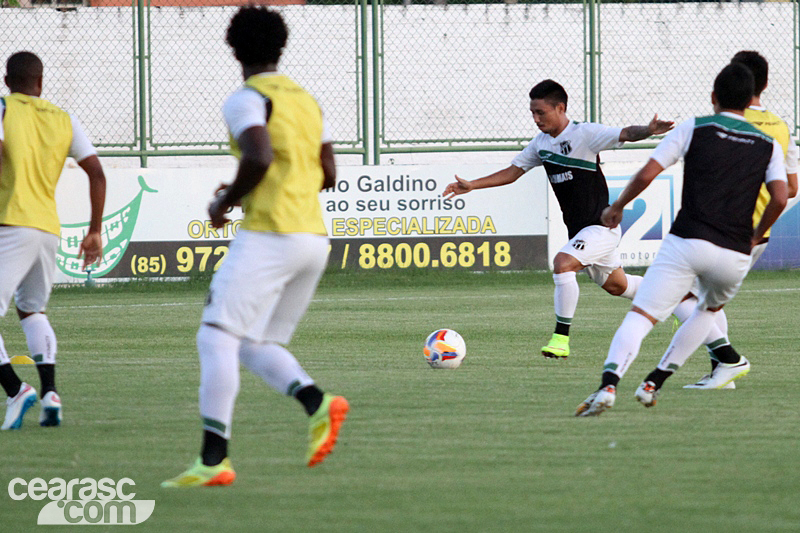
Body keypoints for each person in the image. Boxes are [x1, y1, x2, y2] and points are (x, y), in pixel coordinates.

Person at [162, 7, 348, 488]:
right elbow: (329, 172)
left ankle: (213, 460)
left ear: (234, 48)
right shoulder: (306, 100)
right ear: (280, 47)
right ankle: (317, 403)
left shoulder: (247, 98)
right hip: (312, 238)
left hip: (272, 234)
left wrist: (227, 198)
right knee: (252, 343)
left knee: (214, 335)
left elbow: (260, 155)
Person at [576, 62, 788, 416]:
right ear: (751, 100)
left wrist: (617, 207)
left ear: (713, 97)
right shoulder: (768, 144)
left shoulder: (695, 126)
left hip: (689, 241)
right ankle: (653, 381)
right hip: (734, 253)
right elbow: (781, 197)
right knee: (707, 310)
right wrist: (753, 237)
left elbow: (649, 172)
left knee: (641, 316)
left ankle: (609, 385)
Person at [443, 79, 673, 359]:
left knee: (563, 264)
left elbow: (624, 133)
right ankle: (672, 295)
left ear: (560, 108)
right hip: (580, 233)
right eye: (532, 113)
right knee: (618, 287)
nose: (536, 119)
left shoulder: (586, 134)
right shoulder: (541, 144)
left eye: (541, 112)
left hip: (601, 227)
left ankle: (560, 339)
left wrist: (648, 130)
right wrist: (473, 185)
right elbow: (513, 172)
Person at [674, 50, 799, 390]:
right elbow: (791, 188)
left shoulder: (725, 124)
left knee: (679, 295)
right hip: (759, 234)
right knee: (708, 300)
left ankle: (727, 360)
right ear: (766, 83)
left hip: (721, 228)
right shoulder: (781, 127)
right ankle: (722, 371)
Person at [0, 51, 106, 430]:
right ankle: (50, 394)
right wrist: (94, 230)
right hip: (47, 229)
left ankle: (15, 391)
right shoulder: (65, 118)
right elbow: (96, 172)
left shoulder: (2, 108)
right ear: (40, 83)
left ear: (7, 79)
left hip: (9, 223)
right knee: (32, 311)